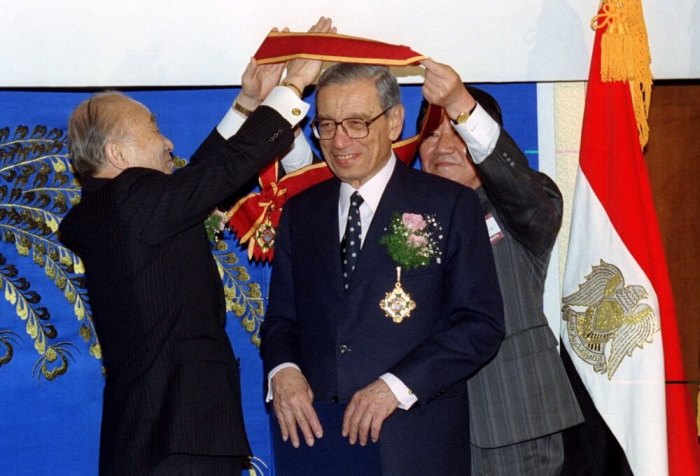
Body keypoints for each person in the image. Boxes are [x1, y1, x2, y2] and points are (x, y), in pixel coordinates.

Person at [57, 17, 333, 475]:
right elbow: (215, 176)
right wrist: (297, 84)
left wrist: (248, 103)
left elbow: (201, 181)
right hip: (180, 438)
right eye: (152, 128)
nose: (167, 141)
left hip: (158, 439)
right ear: (118, 156)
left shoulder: (116, 209)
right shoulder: (131, 202)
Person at [260, 62, 505, 475]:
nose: (340, 141)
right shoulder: (301, 213)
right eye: (327, 125)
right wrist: (283, 372)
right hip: (315, 442)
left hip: (412, 443)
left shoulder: (447, 205)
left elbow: (479, 323)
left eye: (357, 123)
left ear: (394, 122)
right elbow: (282, 320)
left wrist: (395, 387)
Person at [418, 58, 584, 475]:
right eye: (431, 136)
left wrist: (460, 104)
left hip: (513, 419)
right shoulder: (405, 218)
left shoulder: (523, 206)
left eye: (457, 132)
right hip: (431, 424)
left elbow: (518, 187)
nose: (442, 148)